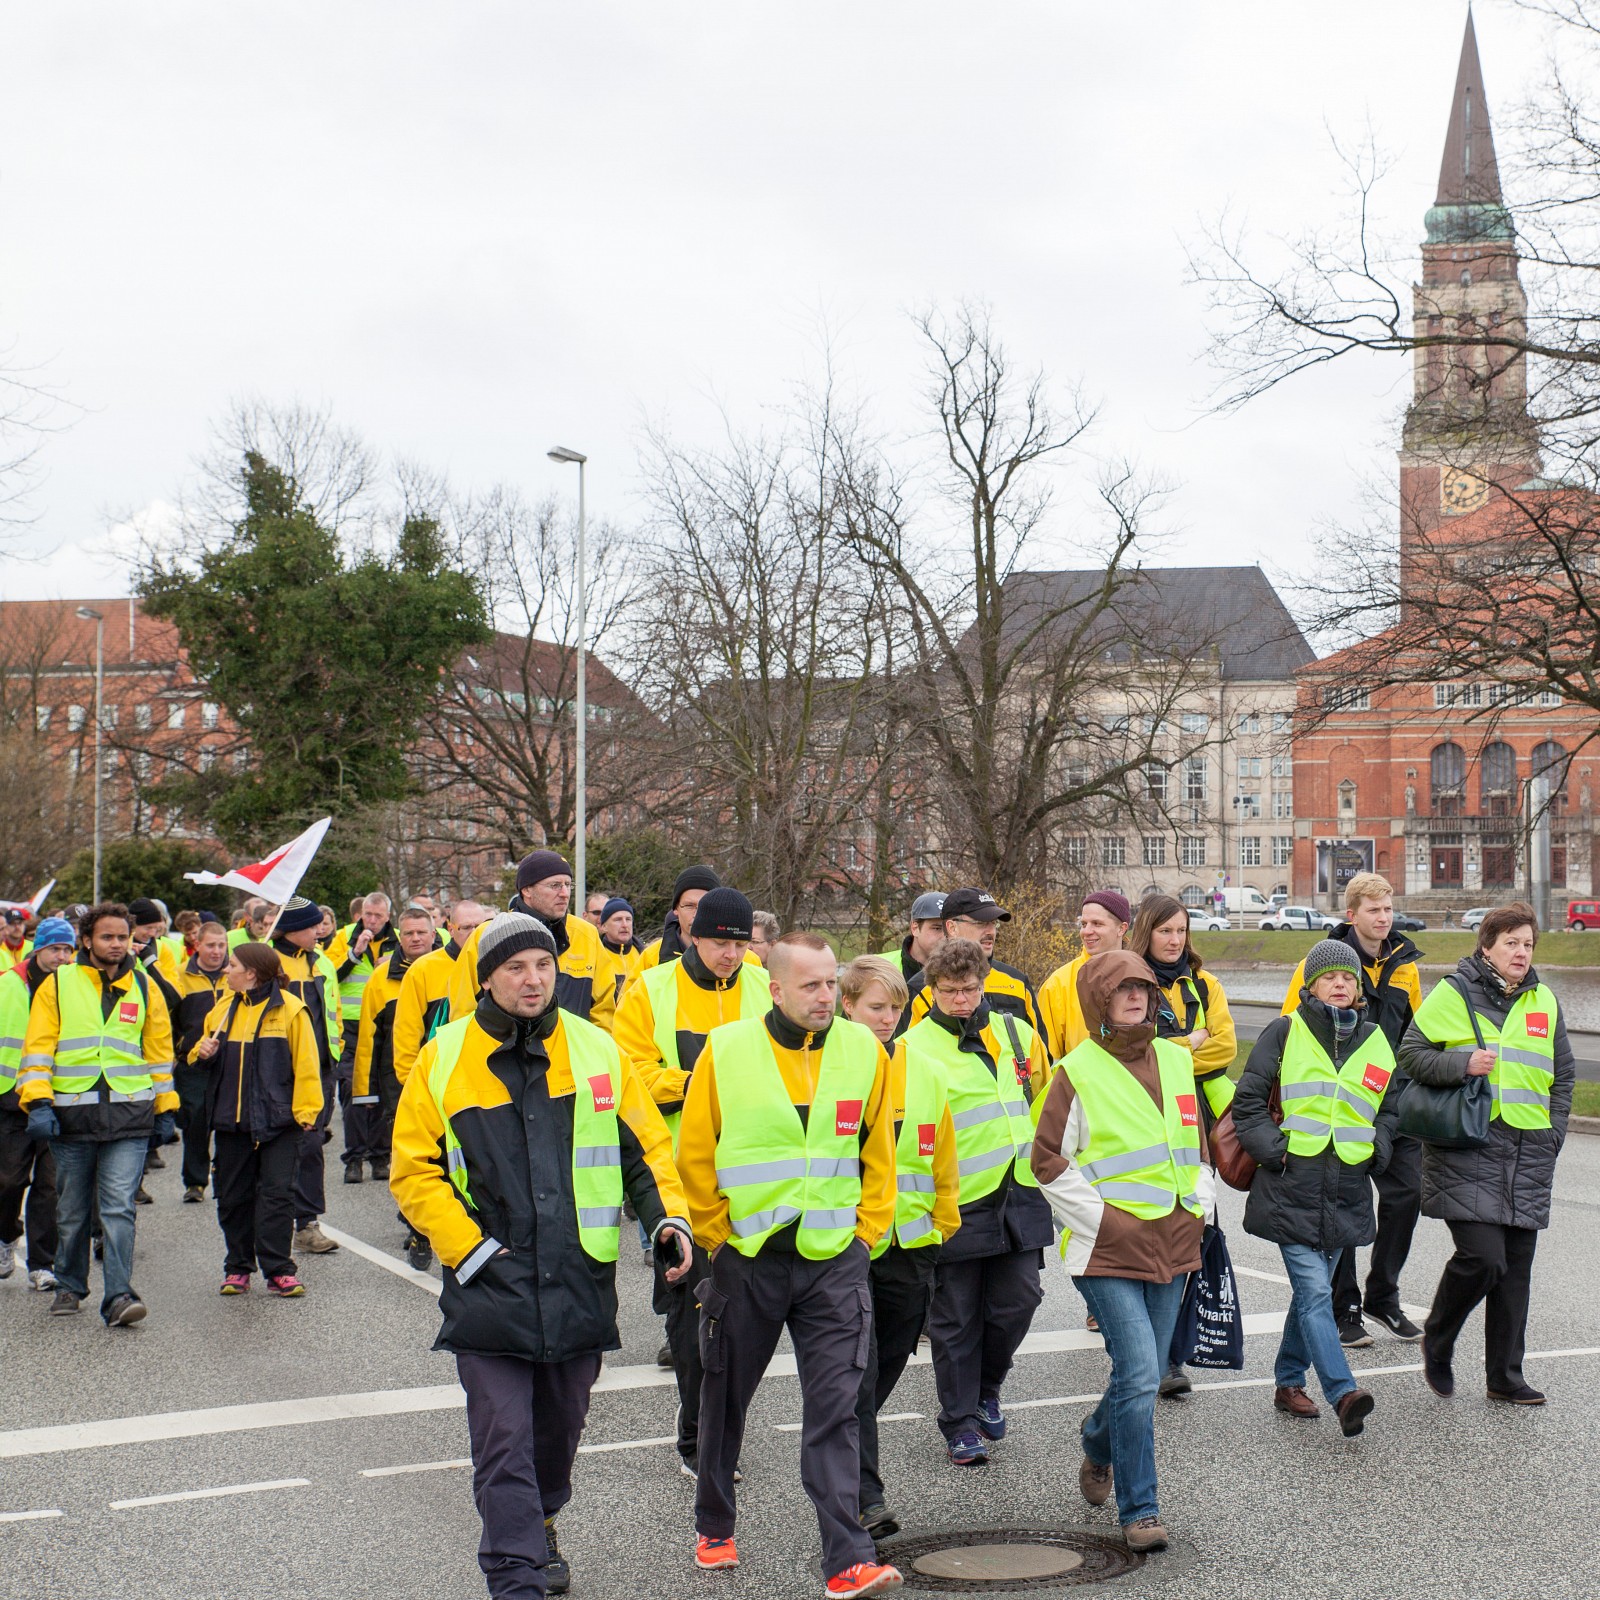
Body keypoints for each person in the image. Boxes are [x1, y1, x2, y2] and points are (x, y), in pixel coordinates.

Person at [391, 912, 693, 1600]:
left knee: (557, 1435)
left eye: (544, 966)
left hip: (578, 1280)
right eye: (516, 968)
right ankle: (515, 1575)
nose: (533, 979)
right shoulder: (445, 1057)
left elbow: (643, 1153)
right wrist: (469, 1251)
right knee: (503, 1443)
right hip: (489, 1283)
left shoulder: (594, 1048)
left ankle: (542, 1517)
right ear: (487, 978)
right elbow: (412, 1169)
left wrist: (667, 1220)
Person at [676, 932, 903, 1597]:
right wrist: (719, 1240)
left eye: (832, 983)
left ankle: (847, 1557)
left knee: (835, 1408)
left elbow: (878, 1152)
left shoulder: (865, 1050)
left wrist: (866, 1236)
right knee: (724, 1398)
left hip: (834, 1260)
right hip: (749, 1258)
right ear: (774, 989)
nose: (826, 996)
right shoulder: (728, 1051)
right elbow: (695, 1152)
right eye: (811, 985)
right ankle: (715, 1521)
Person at [1030, 950, 1216, 1555]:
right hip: (1105, 1248)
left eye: (1143, 988)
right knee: (1139, 1371)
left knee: (1140, 1374)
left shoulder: (1175, 1057)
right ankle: (1141, 1509)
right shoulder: (1075, 1071)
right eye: (1122, 990)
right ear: (1098, 1001)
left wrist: (1200, 1202)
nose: (1137, 997)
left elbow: (1196, 1142)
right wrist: (1107, 1221)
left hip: (1174, 1238)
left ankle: (1095, 1441)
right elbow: (1046, 1162)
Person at [613, 887, 772, 1477]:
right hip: (680, 1182)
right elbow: (631, 1075)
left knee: (744, 1321)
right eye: (718, 943)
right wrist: (703, 1083)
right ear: (690, 937)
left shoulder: (761, 985)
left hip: (758, 1184)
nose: (730, 955)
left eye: (739, 944)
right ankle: (696, 1439)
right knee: (692, 1321)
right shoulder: (651, 990)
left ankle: (721, 1427)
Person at [1401, 902, 1575, 1406]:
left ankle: (1504, 1376)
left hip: (1530, 1149)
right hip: (1469, 1144)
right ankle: (1439, 1335)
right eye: (1511, 943)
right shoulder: (1454, 993)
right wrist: (1462, 1063)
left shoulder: (1544, 1000)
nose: (1521, 952)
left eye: (1528, 944)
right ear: (1487, 946)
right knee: (1484, 1257)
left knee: (1515, 1270)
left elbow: (1562, 1076)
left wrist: (1556, 1130)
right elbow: (1411, 1054)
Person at [1233, 940, 1396, 1436]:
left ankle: (1287, 1382)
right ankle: (1343, 1391)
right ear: (1310, 987)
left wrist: (1376, 1150)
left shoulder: (1376, 1040)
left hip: (1346, 1186)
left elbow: (1389, 1110)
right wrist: (1275, 1151)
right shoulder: (1285, 1031)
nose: (1341, 984)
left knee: (1313, 1295)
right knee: (1313, 1291)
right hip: (1292, 1185)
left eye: (1348, 977)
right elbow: (1248, 1102)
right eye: (1330, 978)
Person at [902, 937, 1050, 1467]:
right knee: (956, 1317)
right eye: (949, 992)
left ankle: (988, 1389)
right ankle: (959, 1422)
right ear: (932, 991)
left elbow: (1044, 1095)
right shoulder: (914, 1048)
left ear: (983, 984)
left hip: (1019, 1189)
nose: (962, 1000)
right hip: (957, 1199)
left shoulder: (1016, 1032)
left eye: (969, 989)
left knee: (1020, 1300)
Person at [838, 955, 960, 1540]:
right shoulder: (831, 1065)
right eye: (875, 1008)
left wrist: (945, 1218)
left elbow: (942, 1154)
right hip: (848, 1245)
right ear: (848, 1008)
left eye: (895, 1008)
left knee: (881, 1367)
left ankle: (841, 1439)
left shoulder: (926, 1067)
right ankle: (866, 1496)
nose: (887, 1019)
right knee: (855, 1374)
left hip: (911, 1245)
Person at [1278, 872, 1424, 1347]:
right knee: (1343, 1206)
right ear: (1352, 915)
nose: (1384, 918)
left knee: (1406, 1195)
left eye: (1388, 910)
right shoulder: (1321, 962)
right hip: (1338, 1107)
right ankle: (1346, 1308)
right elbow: (1291, 1026)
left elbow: (1417, 1033)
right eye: (1374, 911)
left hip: (1391, 1100)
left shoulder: (1406, 965)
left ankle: (1384, 1294)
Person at [18, 902, 177, 1324]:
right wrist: (37, 1101)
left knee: (118, 1209)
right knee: (71, 1210)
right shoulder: (58, 984)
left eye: (122, 937)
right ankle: (70, 1285)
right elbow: (38, 1047)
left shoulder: (145, 987)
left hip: (129, 1116)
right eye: (107, 937)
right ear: (86, 941)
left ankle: (120, 1296)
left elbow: (159, 1054)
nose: (116, 944)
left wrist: (166, 1108)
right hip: (71, 1116)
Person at [1126, 893, 1239, 1397]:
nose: (1174, 940)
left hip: (1197, 1121)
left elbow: (1226, 1046)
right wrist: (1189, 1042)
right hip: (1144, 1118)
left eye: (1181, 931)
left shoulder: (1205, 983)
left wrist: (1172, 1049)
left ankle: (1171, 1356)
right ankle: (1138, 1346)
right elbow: (1133, 1050)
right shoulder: (1128, 980)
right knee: (1149, 1229)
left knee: (1190, 1234)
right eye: (1165, 931)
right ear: (1146, 931)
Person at [192, 942, 324, 1296]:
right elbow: (200, 1056)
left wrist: (308, 1113)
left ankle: (279, 1269)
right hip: (231, 1123)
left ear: (251, 973)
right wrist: (201, 1052)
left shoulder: (292, 1010)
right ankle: (237, 1267)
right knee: (233, 1197)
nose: (226, 969)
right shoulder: (221, 1010)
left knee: (277, 1196)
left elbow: (307, 1065)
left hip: (280, 1123)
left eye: (232, 965)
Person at [449, 852, 619, 1033]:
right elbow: (462, 1009)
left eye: (568, 885)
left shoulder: (587, 935)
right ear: (526, 890)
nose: (564, 893)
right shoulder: (487, 935)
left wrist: (591, 1052)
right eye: (555, 885)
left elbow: (604, 1010)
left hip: (572, 1056)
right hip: (499, 1056)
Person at [0, 916, 76, 1289]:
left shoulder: (76, 985)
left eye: (67, 949)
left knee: (49, 1186)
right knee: (8, 1180)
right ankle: (5, 1235)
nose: (62, 957)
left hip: (57, 1096)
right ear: (38, 948)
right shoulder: (10, 983)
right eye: (54, 949)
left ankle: (41, 1265)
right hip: (11, 1098)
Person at [270, 897, 345, 1255]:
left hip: (321, 1071)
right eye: (312, 925)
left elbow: (334, 1012)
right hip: (281, 1071)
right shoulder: (269, 963)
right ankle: (272, 1224)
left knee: (312, 1146)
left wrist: (337, 1053)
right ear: (293, 929)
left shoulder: (323, 962)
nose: (320, 930)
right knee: (282, 1148)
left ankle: (307, 1225)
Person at [352, 906, 443, 1181]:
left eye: (421, 932)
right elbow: (368, 1037)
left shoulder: (453, 968)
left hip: (442, 1073)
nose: (416, 938)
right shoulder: (381, 979)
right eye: (409, 933)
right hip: (397, 1078)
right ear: (399, 936)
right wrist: (366, 1091)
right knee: (408, 1152)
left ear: (433, 934)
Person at [899, 888, 1040, 1040]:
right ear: (952, 927)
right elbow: (905, 1053)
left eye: (993, 923)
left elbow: (1039, 1051)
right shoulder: (919, 988)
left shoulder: (1017, 983)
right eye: (980, 923)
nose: (990, 931)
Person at [329, 893, 396, 1178]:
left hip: (384, 1023)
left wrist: (390, 966)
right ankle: (353, 1159)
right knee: (351, 1091)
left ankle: (380, 1157)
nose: (371, 920)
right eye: (367, 914)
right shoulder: (344, 936)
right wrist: (355, 954)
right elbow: (330, 974)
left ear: (387, 917)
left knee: (381, 1090)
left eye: (377, 916)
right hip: (351, 1026)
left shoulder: (399, 940)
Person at [393, 899, 492, 1087]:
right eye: (466, 927)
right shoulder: (422, 969)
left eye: (480, 926)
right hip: (439, 1078)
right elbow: (406, 1033)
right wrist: (411, 1082)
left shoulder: (499, 966)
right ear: (451, 929)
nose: (474, 933)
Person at [169, 918, 232, 1202]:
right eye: (211, 945)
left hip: (228, 1060)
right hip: (192, 1062)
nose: (217, 951)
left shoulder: (235, 974)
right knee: (195, 1121)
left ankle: (224, 1175)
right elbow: (169, 1020)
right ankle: (195, 1182)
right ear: (197, 945)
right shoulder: (180, 975)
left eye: (222, 945)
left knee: (229, 1120)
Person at [1038, 890, 1130, 1061]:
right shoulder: (1058, 984)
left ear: (1121, 929)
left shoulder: (1144, 978)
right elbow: (1046, 1061)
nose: (1087, 931)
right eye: (1083, 924)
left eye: (1097, 924)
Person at [634, 865, 722, 976]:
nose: (697, 914)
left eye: (705, 906)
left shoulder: (740, 958)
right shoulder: (651, 958)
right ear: (676, 908)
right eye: (689, 906)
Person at [880, 892, 946, 985]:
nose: (945, 937)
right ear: (915, 928)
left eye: (951, 928)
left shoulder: (967, 970)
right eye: (937, 928)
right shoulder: (879, 968)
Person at [596, 898, 642, 1000]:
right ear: (603, 927)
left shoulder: (644, 954)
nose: (624, 925)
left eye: (628, 919)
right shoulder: (597, 956)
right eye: (618, 920)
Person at [0, 909, 32, 975]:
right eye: (12, 924)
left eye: (20, 923)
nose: (17, 927)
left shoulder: (33, 947)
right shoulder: (2, 949)